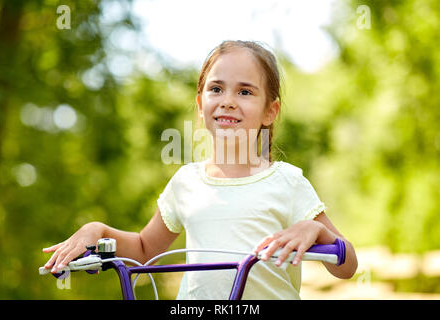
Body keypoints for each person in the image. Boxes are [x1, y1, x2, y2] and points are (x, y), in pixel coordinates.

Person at [42, 40, 358, 299]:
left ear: (270, 111)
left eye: (245, 92)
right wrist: (97, 231)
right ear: (200, 103)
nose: (228, 101)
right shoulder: (186, 182)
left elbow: (347, 266)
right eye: (216, 89)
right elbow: (143, 251)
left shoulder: (287, 182)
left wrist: (317, 231)